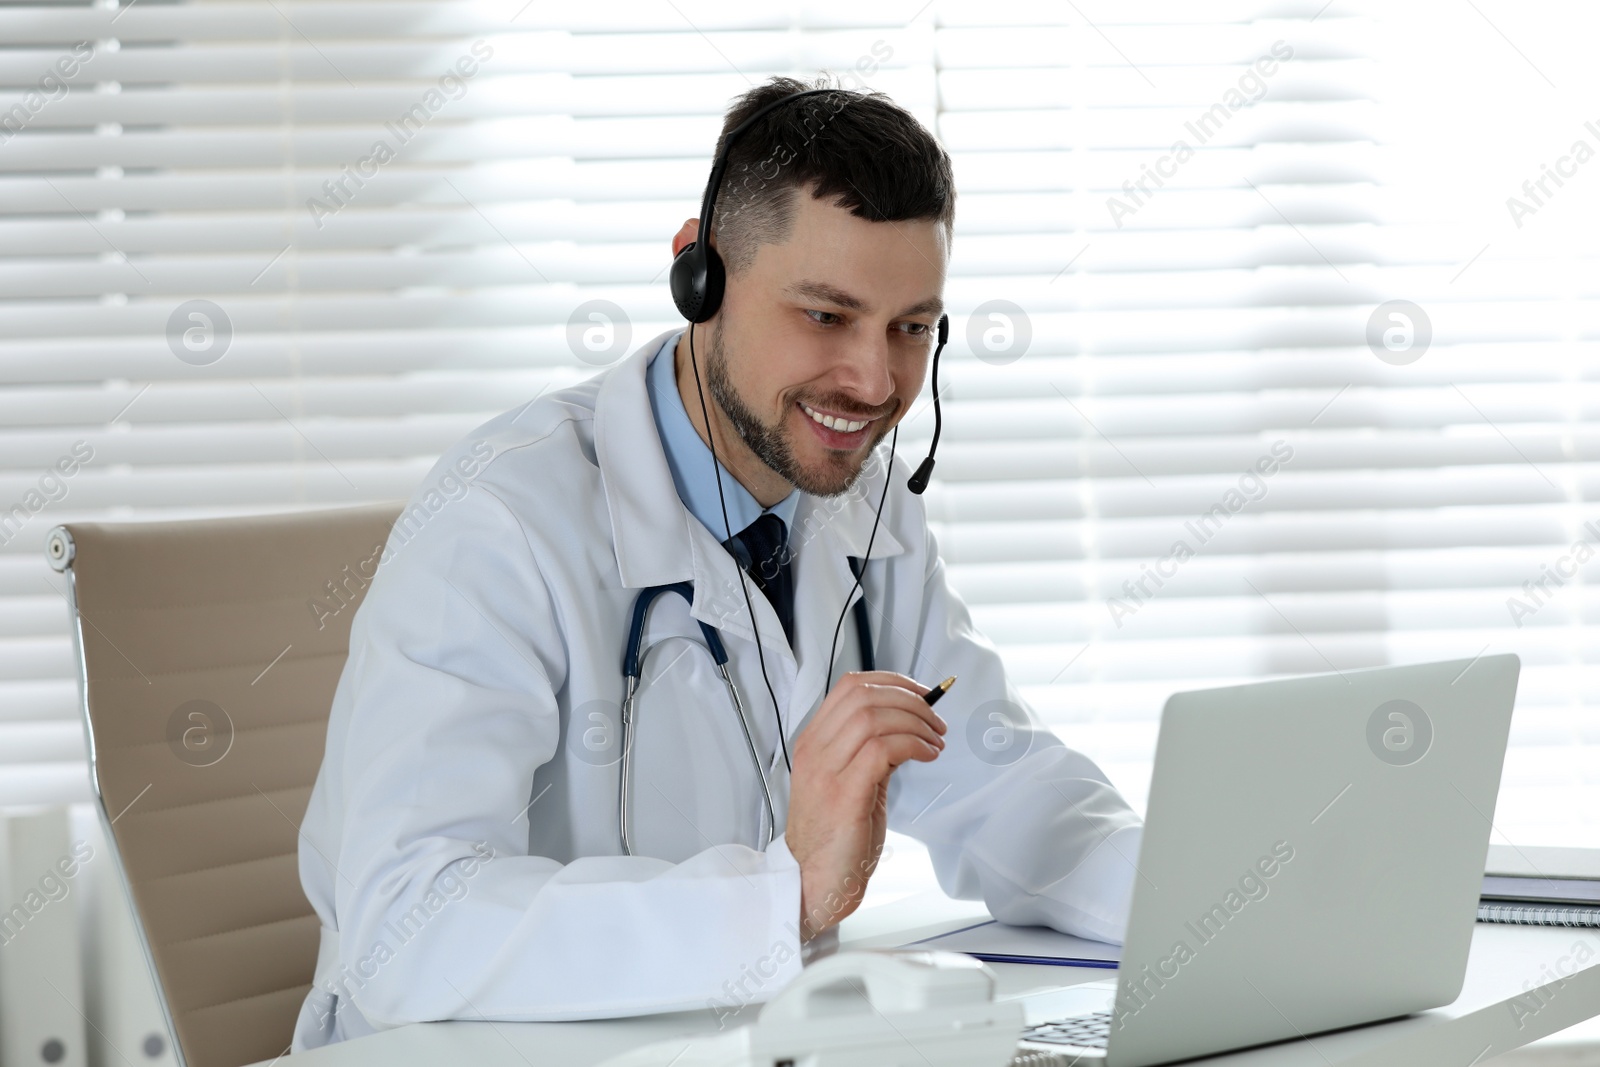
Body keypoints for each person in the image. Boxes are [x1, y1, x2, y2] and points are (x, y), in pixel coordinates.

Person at [292, 73, 1143, 1051]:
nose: (874, 382)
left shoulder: (862, 507)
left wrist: (1214, 892)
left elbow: (998, 783)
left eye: (911, 326)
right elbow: (408, 924)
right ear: (699, 277)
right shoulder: (498, 522)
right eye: (825, 315)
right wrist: (780, 896)